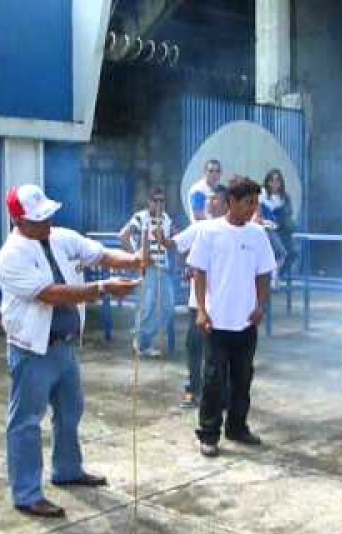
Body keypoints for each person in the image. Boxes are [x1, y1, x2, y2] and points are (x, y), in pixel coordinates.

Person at [0, 184, 145, 518]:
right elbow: (49, 294)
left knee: (70, 410)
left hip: (64, 346)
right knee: (26, 422)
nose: (47, 222)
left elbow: (100, 254)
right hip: (33, 350)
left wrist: (133, 260)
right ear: (19, 221)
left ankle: (67, 470)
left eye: (49, 215)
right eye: (39, 219)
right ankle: (27, 493)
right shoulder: (11, 255)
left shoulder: (61, 237)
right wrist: (102, 288)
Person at [188, 178, 277, 457]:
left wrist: (261, 305)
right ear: (231, 202)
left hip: (246, 320)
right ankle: (209, 434)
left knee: (243, 378)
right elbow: (199, 273)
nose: (253, 208)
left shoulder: (257, 235)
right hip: (216, 321)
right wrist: (202, 309)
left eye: (255, 203)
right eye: (248, 202)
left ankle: (237, 427)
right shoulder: (210, 232)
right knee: (213, 379)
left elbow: (264, 274)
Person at [157, 186, 229, 409]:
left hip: (223, 301)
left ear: (227, 204)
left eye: (215, 199)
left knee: (220, 351)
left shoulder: (235, 231)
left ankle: (221, 393)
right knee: (194, 346)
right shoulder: (200, 227)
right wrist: (161, 237)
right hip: (198, 301)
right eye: (209, 199)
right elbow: (174, 244)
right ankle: (192, 388)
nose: (210, 203)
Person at [119, 187, 175, 358]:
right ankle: (142, 342)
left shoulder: (166, 219)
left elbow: (172, 240)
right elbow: (123, 235)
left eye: (162, 201)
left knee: (167, 307)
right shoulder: (140, 217)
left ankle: (143, 337)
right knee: (147, 306)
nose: (159, 204)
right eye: (155, 200)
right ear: (149, 202)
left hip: (162, 267)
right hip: (147, 267)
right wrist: (136, 257)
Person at [257, 168, 297, 276]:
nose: (275, 183)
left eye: (277, 180)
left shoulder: (285, 197)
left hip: (283, 230)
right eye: (272, 180)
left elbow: (289, 214)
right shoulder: (262, 195)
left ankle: (276, 275)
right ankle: (271, 277)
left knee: (293, 253)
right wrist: (268, 223)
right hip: (268, 230)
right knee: (280, 252)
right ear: (267, 182)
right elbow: (258, 217)